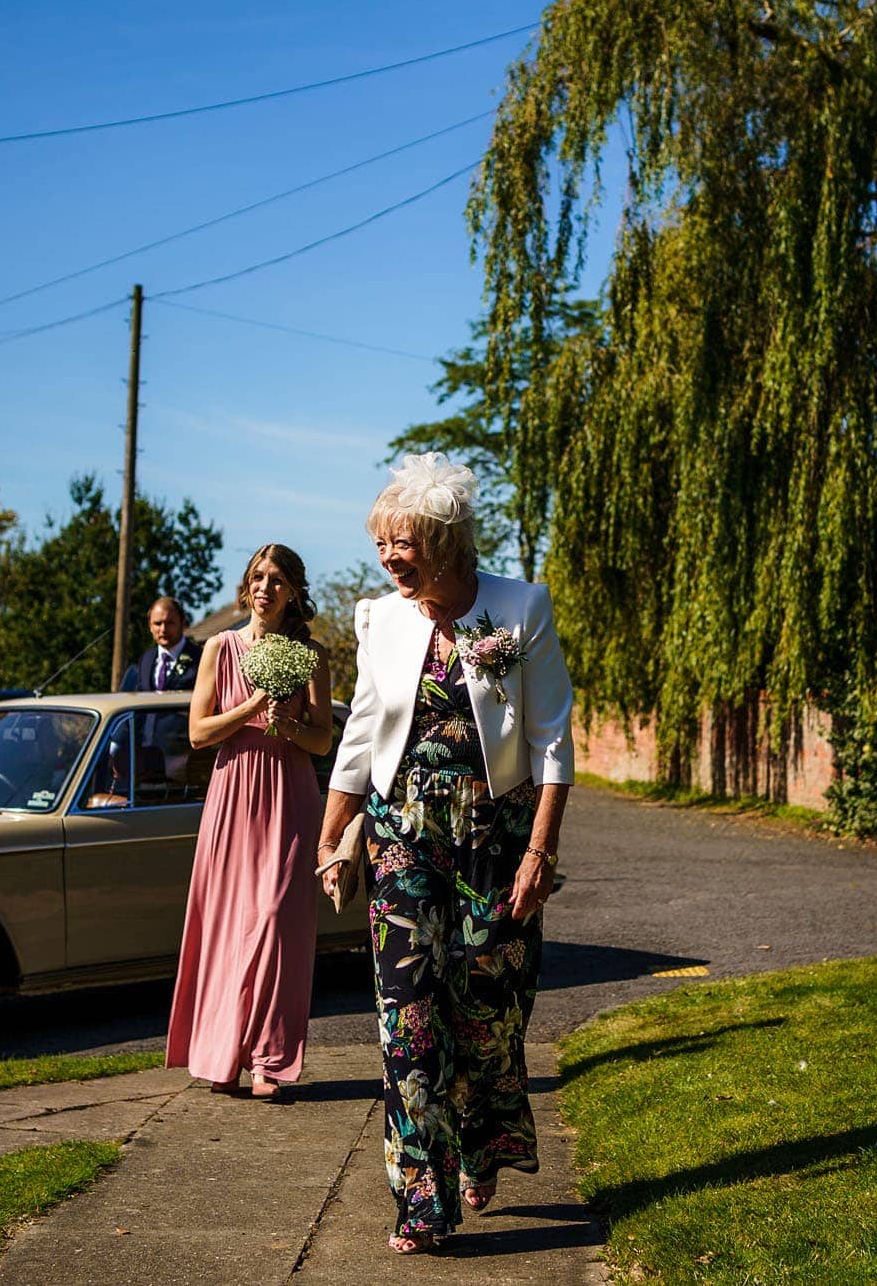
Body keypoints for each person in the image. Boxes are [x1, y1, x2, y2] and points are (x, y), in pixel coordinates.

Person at [317, 452, 575, 1254]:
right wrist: (332, 838)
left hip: (495, 842)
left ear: (448, 541)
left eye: (406, 544)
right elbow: (360, 738)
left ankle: (482, 1141)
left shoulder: (518, 607)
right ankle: (421, 1201)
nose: (392, 559)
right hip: (403, 845)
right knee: (407, 1019)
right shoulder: (378, 618)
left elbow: (554, 742)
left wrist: (539, 852)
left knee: (487, 1018)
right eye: (384, 544)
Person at [165, 545, 332, 1098]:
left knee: (277, 920)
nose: (265, 587)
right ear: (246, 587)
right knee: (227, 924)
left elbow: (322, 739)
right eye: (258, 577)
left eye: (277, 580)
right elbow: (198, 733)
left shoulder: (311, 657)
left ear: (293, 593)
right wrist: (255, 706)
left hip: (290, 797)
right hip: (233, 793)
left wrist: (286, 724)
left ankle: (271, 1059)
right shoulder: (219, 646)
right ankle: (222, 1055)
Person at [124, 596, 205, 693]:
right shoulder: (146, 659)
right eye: (158, 624)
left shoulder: (200, 658)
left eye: (169, 623)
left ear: (182, 623)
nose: (163, 629)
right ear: (150, 626)